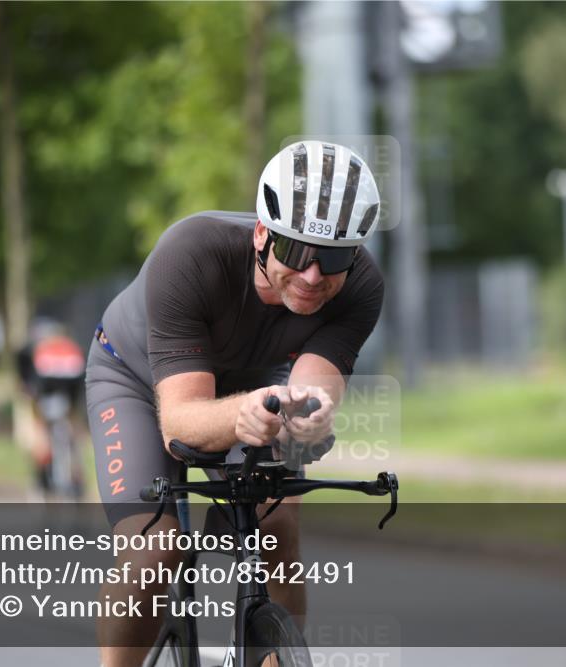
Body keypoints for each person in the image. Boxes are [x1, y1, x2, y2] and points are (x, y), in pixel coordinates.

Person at [85, 140, 384, 666]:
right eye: (296, 253)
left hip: (254, 379)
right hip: (134, 375)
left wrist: (307, 420)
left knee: (277, 532)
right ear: (262, 234)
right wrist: (240, 415)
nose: (313, 276)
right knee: (155, 550)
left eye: (334, 257)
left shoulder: (360, 286)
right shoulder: (191, 253)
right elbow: (180, 421)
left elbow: (313, 391)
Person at [15, 318, 86, 497]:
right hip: (52, 393)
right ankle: (62, 474)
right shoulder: (68, 348)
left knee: (47, 430)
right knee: (49, 431)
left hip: (56, 393)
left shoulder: (36, 350)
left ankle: (62, 473)